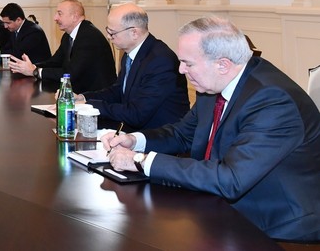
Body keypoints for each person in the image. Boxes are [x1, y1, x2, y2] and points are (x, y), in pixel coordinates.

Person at [103, 16, 320, 242]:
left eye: (188, 63)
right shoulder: (214, 85)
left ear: (222, 65)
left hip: (275, 222)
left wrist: (140, 160)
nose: (181, 70)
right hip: (219, 202)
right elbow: (182, 134)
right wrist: (134, 141)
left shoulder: (272, 101)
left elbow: (231, 179)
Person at [75, 3, 189, 129]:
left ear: (134, 32)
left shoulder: (160, 61)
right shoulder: (130, 53)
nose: (108, 37)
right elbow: (119, 90)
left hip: (160, 134)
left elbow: (137, 114)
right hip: (135, 127)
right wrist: (83, 98)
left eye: (112, 33)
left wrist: (89, 106)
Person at [9, 0, 115, 92]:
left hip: (96, 96)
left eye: (60, 14)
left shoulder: (88, 37)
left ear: (74, 17)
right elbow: (55, 62)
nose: (55, 18)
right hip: (78, 90)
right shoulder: (68, 36)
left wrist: (35, 71)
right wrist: (31, 66)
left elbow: (71, 74)